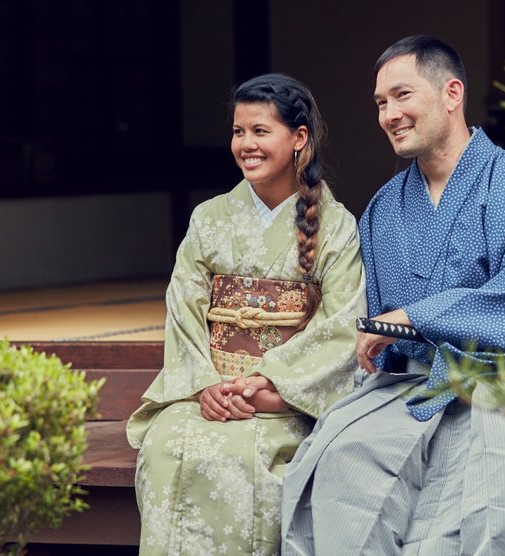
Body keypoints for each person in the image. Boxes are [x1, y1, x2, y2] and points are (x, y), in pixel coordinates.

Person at [280, 36, 505, 554]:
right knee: (339, 458)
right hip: (419, 386)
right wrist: (386, 340)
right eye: (381, 103)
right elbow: (386, 331)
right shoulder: (384, 210)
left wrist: (419, 315)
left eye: (402, 95)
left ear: (451, 93)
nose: (390, 114)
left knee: (493, 488)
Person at [127, 73, 366, 555]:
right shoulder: (209, 218)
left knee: (247, 457)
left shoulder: (335, 226)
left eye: (261, 131)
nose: (246, 144)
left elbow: (343, 324)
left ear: (299, 139)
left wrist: (274, 389)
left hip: (285, 400)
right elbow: (184, 306)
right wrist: (204, 384)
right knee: (166, 444)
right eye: (239, 131)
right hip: (211, 393)